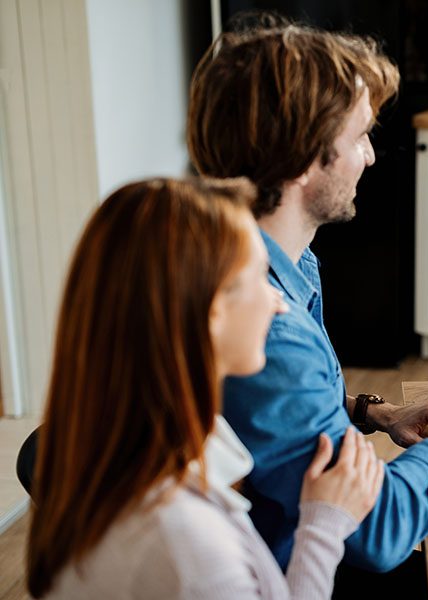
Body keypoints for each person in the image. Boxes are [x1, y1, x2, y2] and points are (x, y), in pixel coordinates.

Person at [187, 22, 428, 594]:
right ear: (300, 161)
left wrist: (372, 413)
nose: (370, 156)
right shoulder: (269, 324)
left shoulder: (273, 262)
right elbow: (378, 534)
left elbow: (265, 414)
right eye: (360, 135)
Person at [26, 177, 389, 598]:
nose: (278, 303)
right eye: (259, 278)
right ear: (211, 312)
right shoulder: (188, 542)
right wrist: (323, 525)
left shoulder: (112, 451)